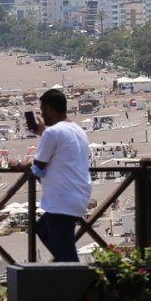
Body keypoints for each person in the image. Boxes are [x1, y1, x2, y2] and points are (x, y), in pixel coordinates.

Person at [26, 88, 91, 262]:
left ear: (48, 109)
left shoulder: (52, 133)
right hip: (78, 195)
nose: (42, 115)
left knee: (68, 257)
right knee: (42, 228)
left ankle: (76, 275)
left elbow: (38, 167)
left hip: (61, 200)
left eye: (42, 110)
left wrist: (16, 165)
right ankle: (64, 266)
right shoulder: (77, 129)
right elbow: (60, 147)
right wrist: (42, 133)